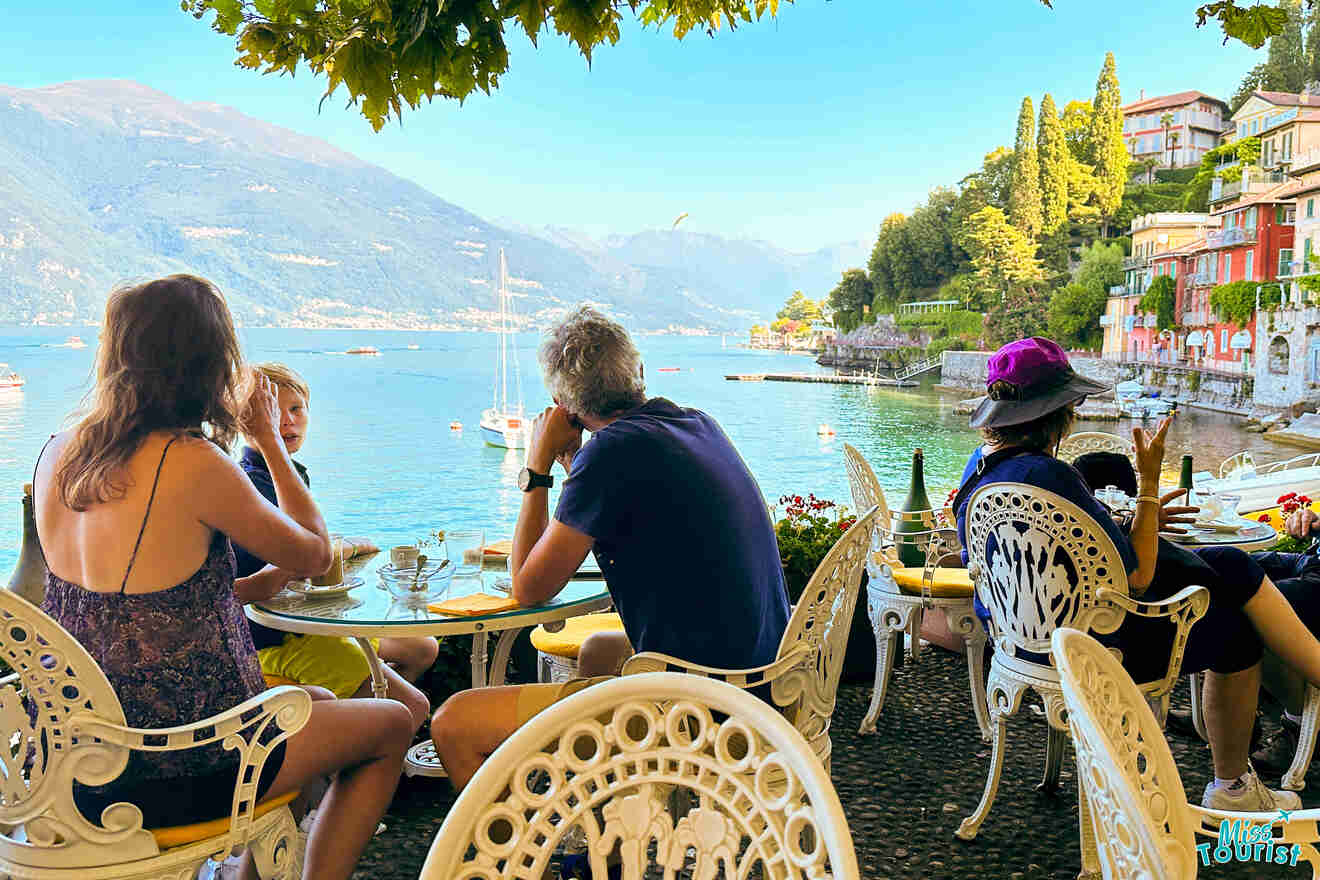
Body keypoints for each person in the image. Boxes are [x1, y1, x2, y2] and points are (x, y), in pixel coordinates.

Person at [31, 276, 412, 880]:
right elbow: (315, 554)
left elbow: (86, 596)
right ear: (210, 362)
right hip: (184, 760)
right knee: (394, 722)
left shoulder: (58, 449)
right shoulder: (190, 460)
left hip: (77, 754)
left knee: (316, 703)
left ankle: (252, 871)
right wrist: (269, 444)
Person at [430, 305, 790, 791]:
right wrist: (574, 462)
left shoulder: (611, 453)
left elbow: (529, 588)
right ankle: (609, 833)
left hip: (702, 701)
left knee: (454, 722)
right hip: (765, 671)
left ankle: (519, 855)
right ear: (638, 371)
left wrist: (537, 467)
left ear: (564, 405)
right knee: (599, 649)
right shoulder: (696, 423)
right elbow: (636, 510)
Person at [953, 337, 1320, 812]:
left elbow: (1065, 545)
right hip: (1102, 646)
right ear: (1063, 412)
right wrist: (1148, 484)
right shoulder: (1053, 476)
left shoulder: (981, 470)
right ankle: (1232, 789)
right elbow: (1141, 577)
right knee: (1236, 625)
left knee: (1229, 566)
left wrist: (1128, 522)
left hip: (1020, 637)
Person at [231, 362, 436, 730]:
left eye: (296, 409)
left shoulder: (287, 472)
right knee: (414, 706)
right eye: (274, 413)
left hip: (302, 627)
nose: (288, 422)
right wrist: (350, 547)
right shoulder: (253, 485)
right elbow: (311, 561)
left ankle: (367, 728)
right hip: (277, 640)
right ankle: (372, 743)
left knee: (421, 647)